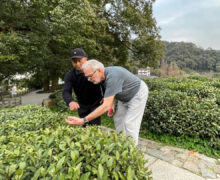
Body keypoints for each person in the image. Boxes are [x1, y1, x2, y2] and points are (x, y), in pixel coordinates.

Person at [66, 59, 149, 145]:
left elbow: (105, 106)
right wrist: (112, 103)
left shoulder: (113, 76)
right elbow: (111, 91)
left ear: (98, 70)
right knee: (118, 118)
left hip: (137, 93)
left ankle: (132, 150)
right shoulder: (101, 77)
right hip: (123, 97)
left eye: (90, 76)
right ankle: (122, 144)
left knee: (130, 123)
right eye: (87, 77)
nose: (88, 80)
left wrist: (83, 120)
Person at [62, 49, 104, 126]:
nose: (77, 64)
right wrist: (71, 102)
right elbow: (66, 91)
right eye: (74, 61)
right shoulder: (70, 75)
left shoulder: (94, 69)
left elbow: (103, 82)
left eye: (79, 60)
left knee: (95, 126)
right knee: (84, 125)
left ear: (86, 59)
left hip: (95, 103)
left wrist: (105, 95)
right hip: (82, 105)